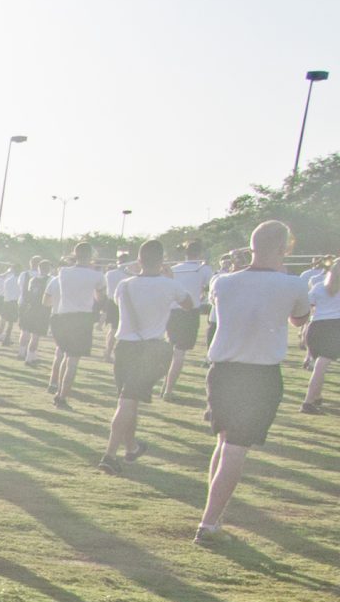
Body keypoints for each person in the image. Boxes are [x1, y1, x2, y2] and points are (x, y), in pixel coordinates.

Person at [194, 220, 312, 544]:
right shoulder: (293, 284)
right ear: (283, 248)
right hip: (258, 374)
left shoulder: (222, 281)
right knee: (234, 449)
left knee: (223, 444)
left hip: (222, 370)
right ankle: (208, 523)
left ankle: (213, 516)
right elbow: (299, 317)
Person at [99, 239, 195, 472]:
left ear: (139, 260)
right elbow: (189, 305)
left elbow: (115, 300)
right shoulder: (170, 285)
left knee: (128, 400)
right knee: (128, 402)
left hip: (124, 347)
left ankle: (130, 448)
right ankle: (110, 455)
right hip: (151, 348)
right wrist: (170, 280)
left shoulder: (124, 284)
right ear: (162, 260)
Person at [46, 241, 106, 408]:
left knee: (65, 355)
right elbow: (100, 298)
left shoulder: (63, 272)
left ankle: (57, 388)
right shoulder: (97, 276)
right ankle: (61, 397)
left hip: (63, 317)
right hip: (82, 319)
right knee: (72, 361)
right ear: (91, 255)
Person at [162, 237, 214, 401]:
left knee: (171, 352)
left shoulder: (175, 269)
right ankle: (168, 391)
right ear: (199, 253)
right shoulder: (203, 269)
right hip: (188, 312)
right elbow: (209, 286)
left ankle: (165, 386)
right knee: (179, 354)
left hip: (172, 312)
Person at [300, 256, 340, 413]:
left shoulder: (317, 287)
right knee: (320, 367)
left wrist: (303, 332)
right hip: (334, 327)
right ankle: (308, 402)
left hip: (315, 327)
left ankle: (316, 397)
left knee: (319, 365)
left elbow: (307, 308)